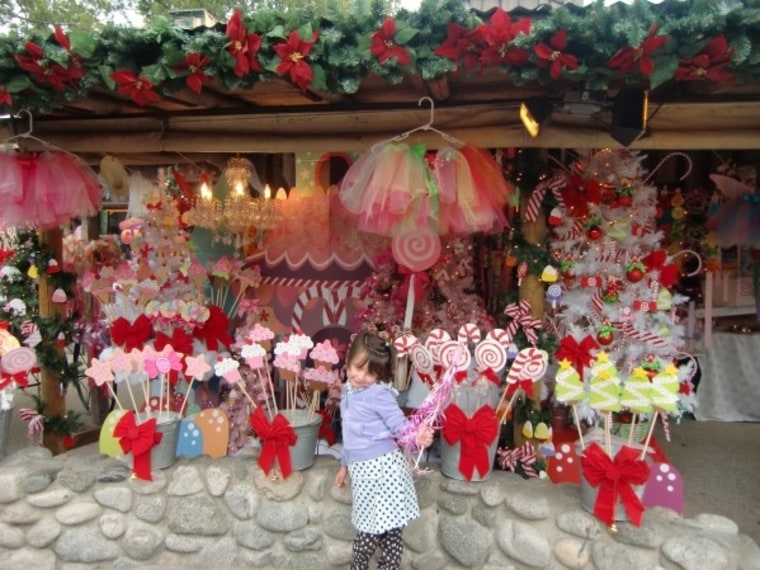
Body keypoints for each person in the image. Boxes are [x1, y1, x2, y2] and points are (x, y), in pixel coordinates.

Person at [334, 330, 434, 570]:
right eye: (358, 368)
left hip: (384, 473)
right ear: (348, 360)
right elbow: (350, 434)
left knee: (370, 538)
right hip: (363, 473)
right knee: (387, 535)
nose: (361, 376)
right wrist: (343, 465)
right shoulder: (348, 391)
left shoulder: (379, 394)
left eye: (370, 373)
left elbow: (400, 426)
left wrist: (417, 436)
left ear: (379, 375)